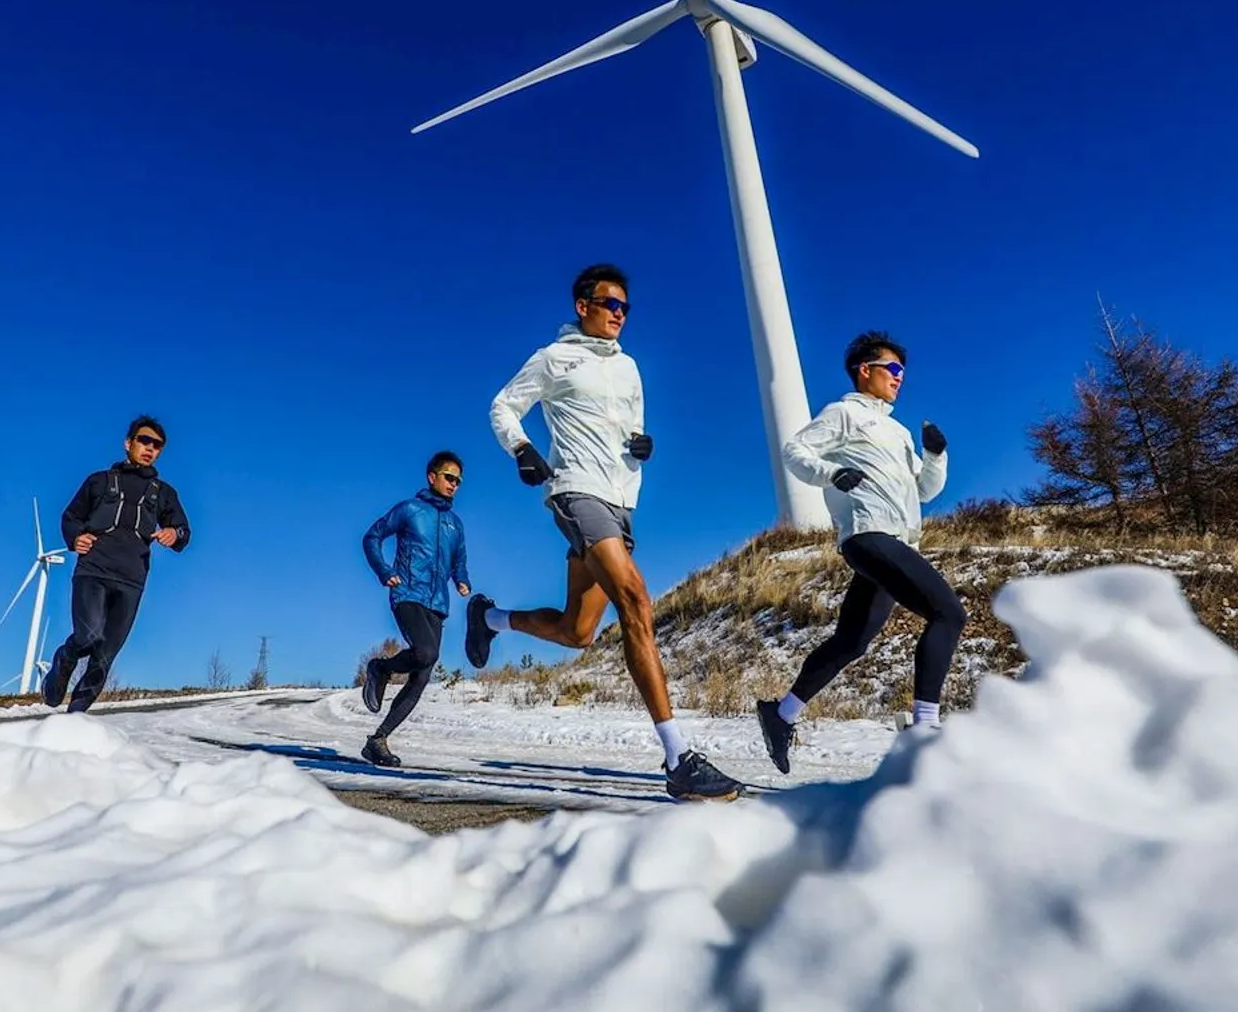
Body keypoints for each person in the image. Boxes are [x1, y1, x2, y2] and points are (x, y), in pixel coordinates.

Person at [466, 263, 742, 802]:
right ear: (582, 305)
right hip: (576, 491)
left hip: (621, 502)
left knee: (578, 633)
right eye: (609, 304)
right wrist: (521, 449)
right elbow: (503, 405)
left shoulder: (631, 368)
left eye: (625, 307)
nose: (619, 314)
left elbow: (632, 427)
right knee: (636, 601)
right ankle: (678, 759)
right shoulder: (554, 358)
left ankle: (490, 617)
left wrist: (643, 443)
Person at [755, 332, 963, 773]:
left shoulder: (898, 431)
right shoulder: (844, 414)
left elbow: (923, 490)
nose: (899, 378)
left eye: (903, 372)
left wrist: (936, 455)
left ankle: (781, 714)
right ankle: (925, 726)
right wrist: (831, 472)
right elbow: (795, 450)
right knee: (948, 613)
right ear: (865, 370)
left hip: (897, 538)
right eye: (892, 369)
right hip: (869, 535)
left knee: (852, 641)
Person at [44, 415, 192, 713]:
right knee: (88, 636)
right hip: (93, 572)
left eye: (157, 445)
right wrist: (75, 539)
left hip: (132, 581)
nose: (150, 448)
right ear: (129, 443)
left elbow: (183, 531)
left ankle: (74, 721)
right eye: (144, 441)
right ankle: (65, 659)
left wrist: (172, 533)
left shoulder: (163, 493)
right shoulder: (99, 481)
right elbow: (70, 517)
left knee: (104, 656)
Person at [356, 451, 471, 767]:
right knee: (424, 652)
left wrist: (461, 579)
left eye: (459, 481)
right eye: (449, 477)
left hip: (437, 604)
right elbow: (372, 537)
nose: (454, 485)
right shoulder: (409, 510)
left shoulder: (454, 524)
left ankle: (377, 741)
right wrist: (383, 571)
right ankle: (380, 669)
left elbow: (458, 559)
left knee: (421, 677)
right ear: (432, 476)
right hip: (406, 593)